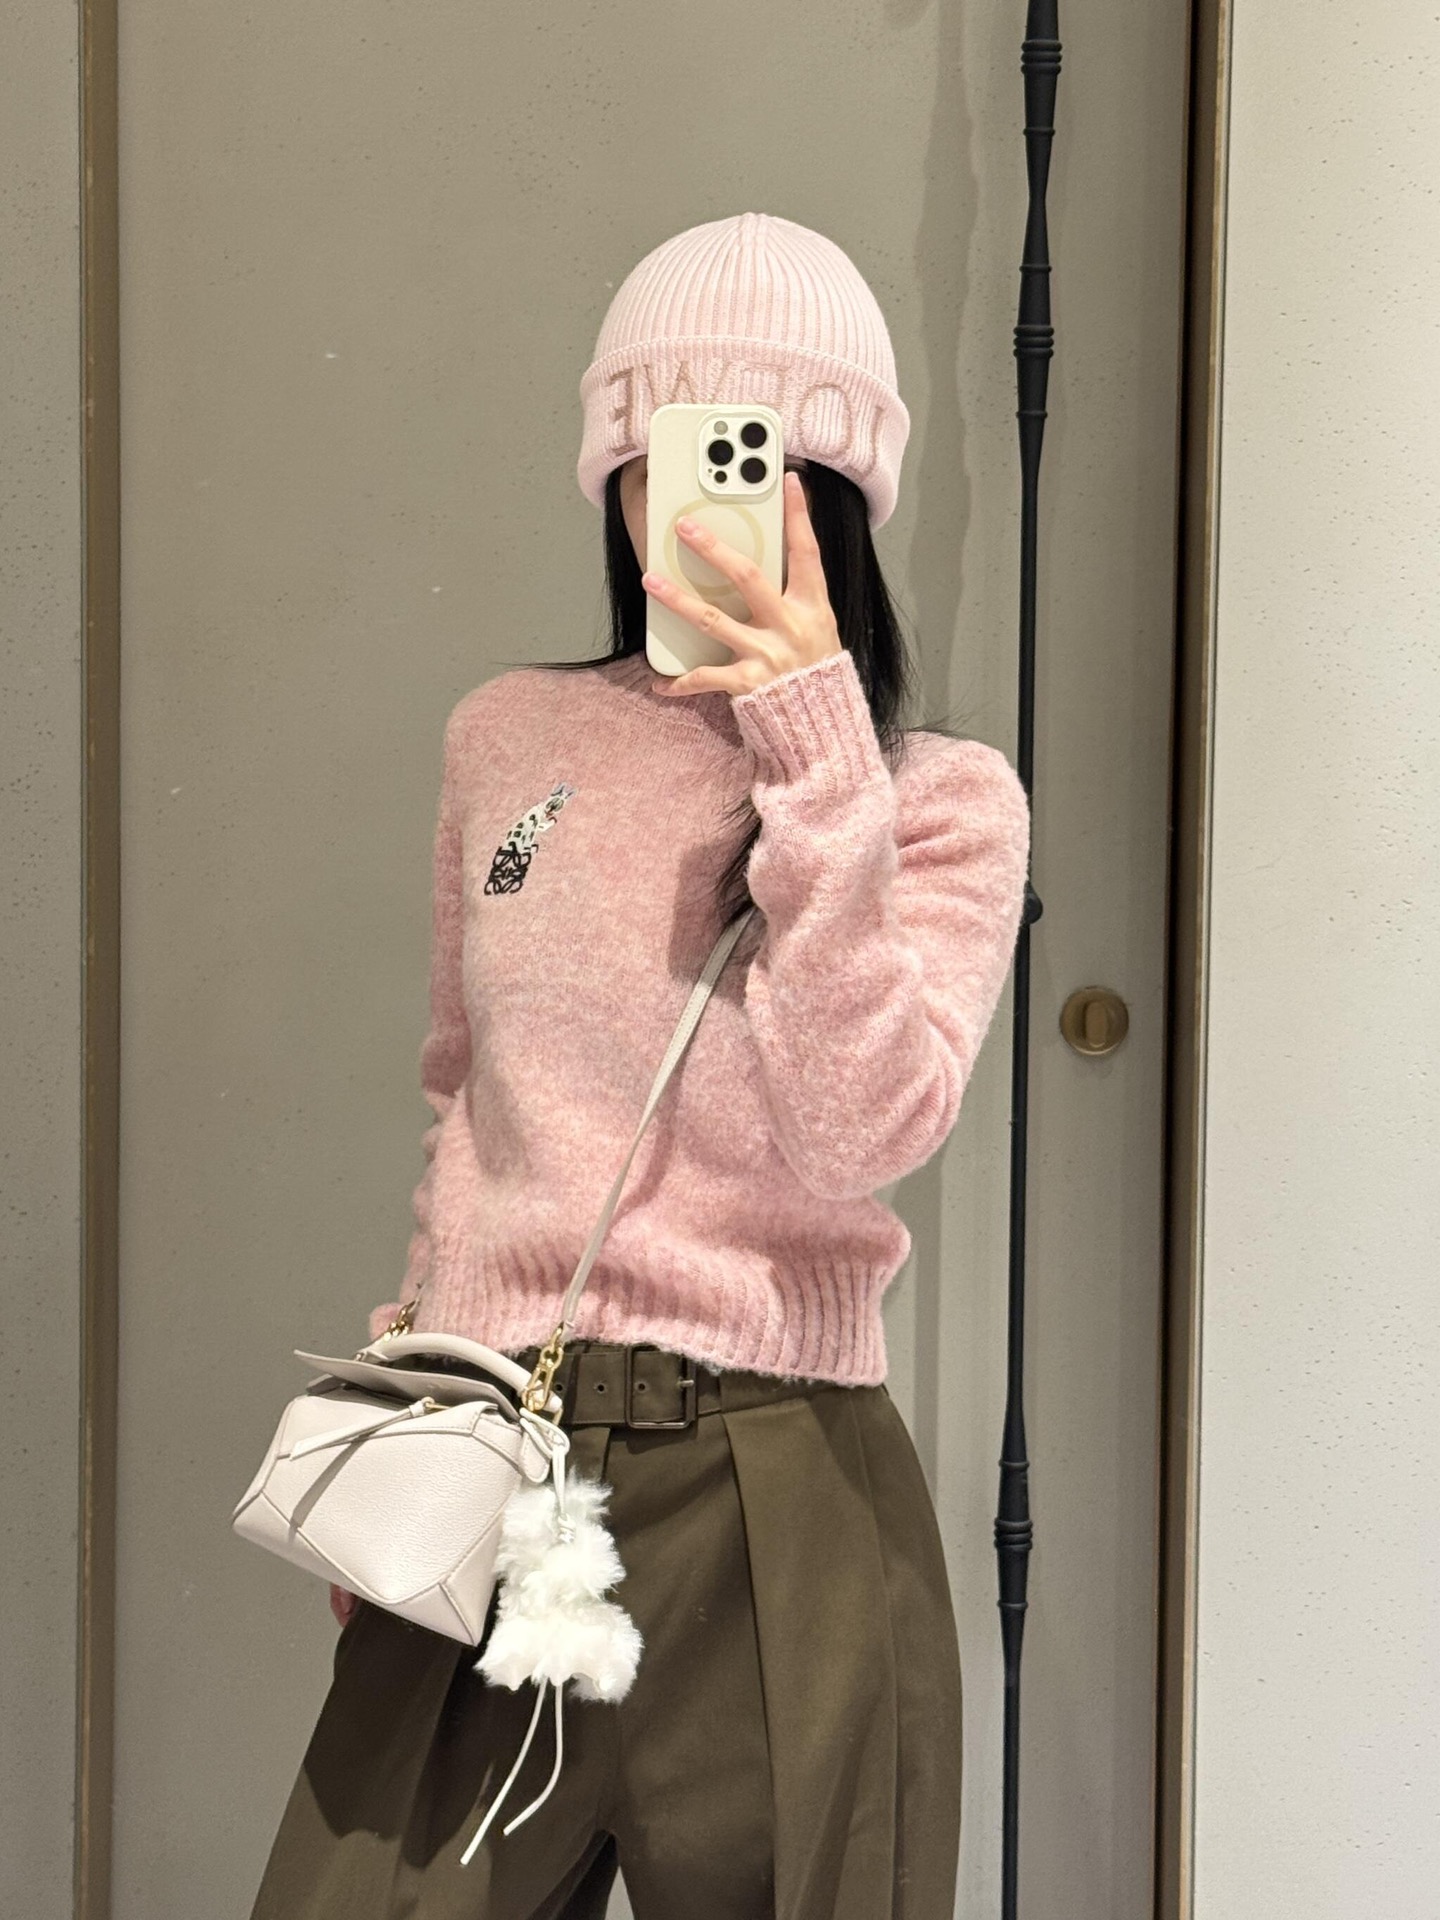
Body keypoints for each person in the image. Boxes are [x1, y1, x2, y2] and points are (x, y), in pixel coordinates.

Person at [247, 209, 1031, 1920]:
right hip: (504, 1468)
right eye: (665, 453)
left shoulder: (936, 799)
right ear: (613, 466)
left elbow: (865, 1130)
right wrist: (407, 1396)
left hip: (785, 1506)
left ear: (843, 492)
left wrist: (814, 748)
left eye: (765, 459)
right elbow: (467, 1097)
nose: (705, 503)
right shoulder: (508, 737)